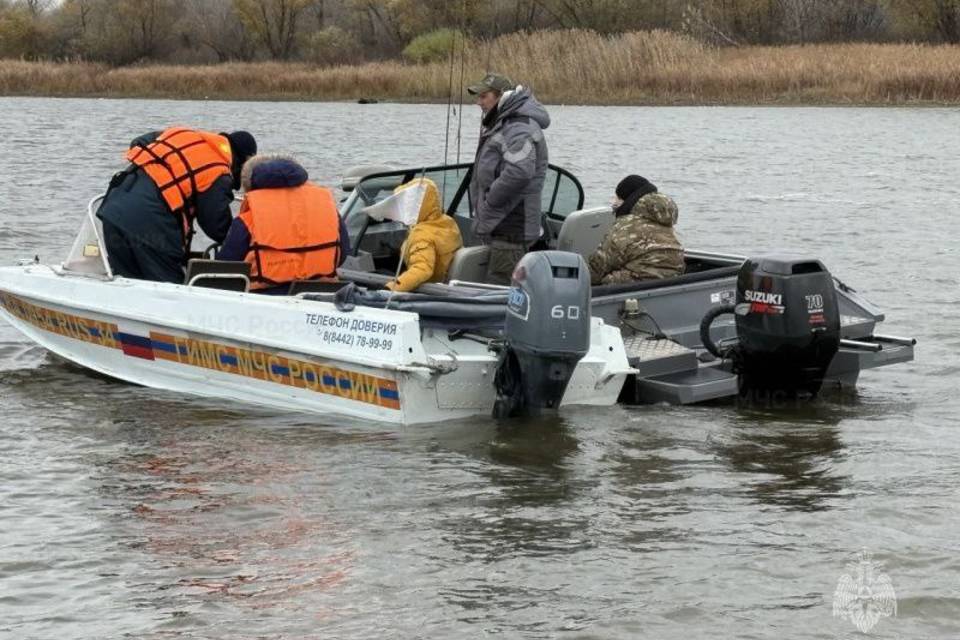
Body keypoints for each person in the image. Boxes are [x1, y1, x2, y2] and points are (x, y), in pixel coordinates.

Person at [96, 126, 256, 284]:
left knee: (127, 284)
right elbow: (216, 224)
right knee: (169, 288)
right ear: (242, 163)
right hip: (150, 224)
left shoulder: (182, 134)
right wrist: (241, 241)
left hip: (113, 209)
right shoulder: (217, 169)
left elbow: (138, 142)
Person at [217, 154, 350, 293]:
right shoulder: (327, 210)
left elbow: (226, 266)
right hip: (322, 294)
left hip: (265, 298)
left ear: (250, 186)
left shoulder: (248, 220)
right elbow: (343, 253)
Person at [466, 72, 550, 285]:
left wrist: (490, 202)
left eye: (484, 96)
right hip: (501, 226)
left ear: (501, 96)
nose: (479, 102)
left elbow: (519, 172)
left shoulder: (518, 127)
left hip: (510, 228)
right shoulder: (505, 122)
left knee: (500, 291)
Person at [588, 175, 684, 285]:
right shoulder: (666, 224)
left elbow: (598, 268)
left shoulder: (626, 226)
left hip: (636, 287)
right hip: (672, 282)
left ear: (628, 199)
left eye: (618, 198)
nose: (614, 203)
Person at [384, 177, 462, 292]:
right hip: (447, 282)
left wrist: (391, 288)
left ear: (417, 205)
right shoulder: (447, 222)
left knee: (380, 274)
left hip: (429, 290)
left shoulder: (422, 235)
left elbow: (422, 269)